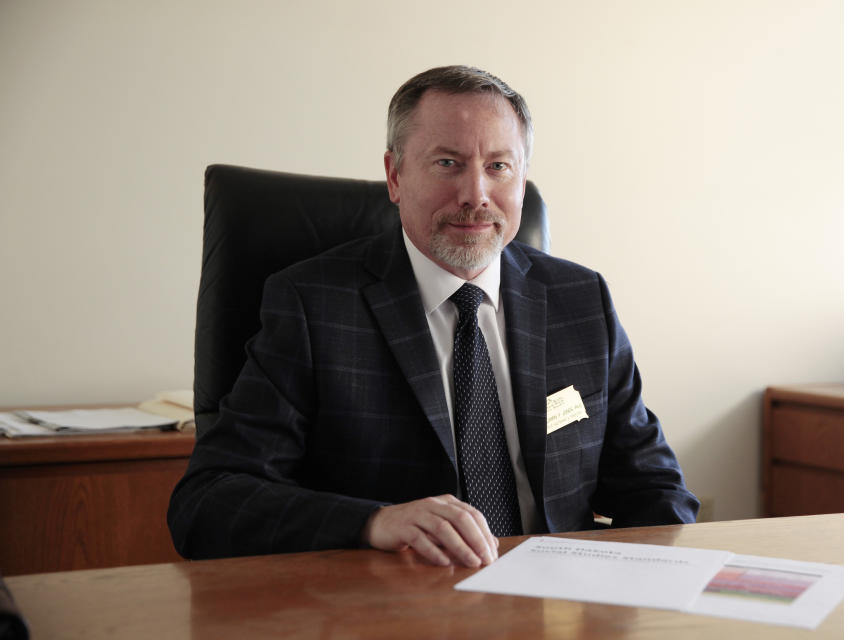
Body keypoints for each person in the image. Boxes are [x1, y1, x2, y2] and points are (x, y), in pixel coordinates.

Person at [168, 65, 698, 568]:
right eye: (447, 163)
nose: (476, 195)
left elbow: (655, 488)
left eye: (498, 166)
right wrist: (372, 523)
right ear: (395, 177)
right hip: (397, 608)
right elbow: (208, 504)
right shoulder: (314, 305)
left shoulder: (580, 300)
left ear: (522, 179)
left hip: (555, 609)